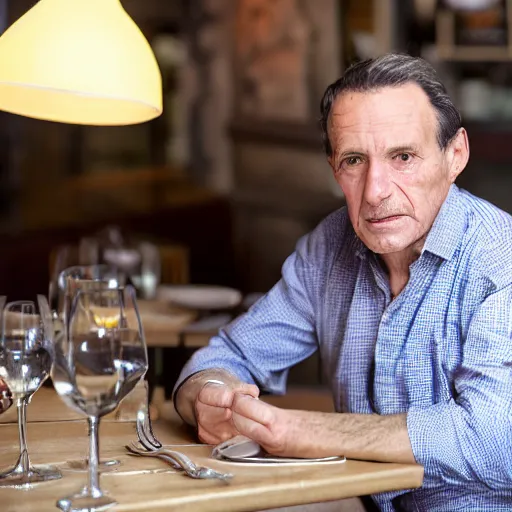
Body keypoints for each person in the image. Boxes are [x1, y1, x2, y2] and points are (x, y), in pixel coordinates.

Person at [173, 53, 512, 511]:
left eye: (403, 157)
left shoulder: (500, 258)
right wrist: (208, 397)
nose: (375, 191)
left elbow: (493, 440)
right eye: (355, 160)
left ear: (456, 156)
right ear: (335, 168)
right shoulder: (328, 248)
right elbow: (226, 356)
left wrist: (299, 431)